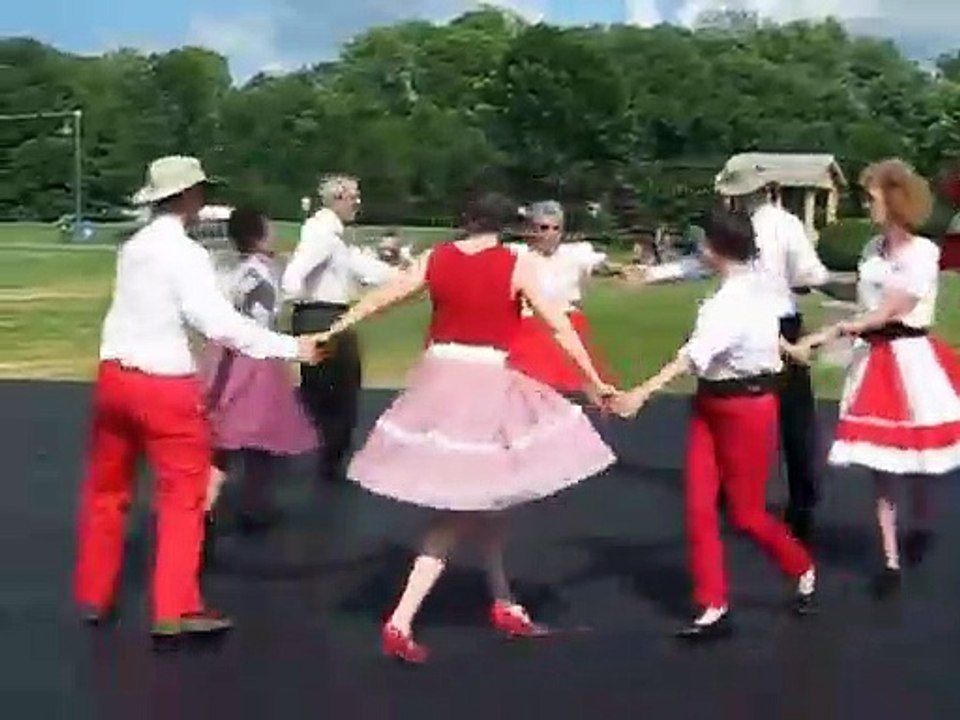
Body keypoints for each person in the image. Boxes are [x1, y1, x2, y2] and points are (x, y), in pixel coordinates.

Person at [317, 193, 617, 664]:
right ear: (507, 226)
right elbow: (559, 326)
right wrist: (594, 380)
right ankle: (401, 618)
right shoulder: (515, 265)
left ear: (466, 219)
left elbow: (382, 298)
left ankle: (503, 600)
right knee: (461, 506)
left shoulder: (439, 259)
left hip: (440, 376)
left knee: (489, 497)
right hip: (481, 381)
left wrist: (332, 330)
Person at [73, 156, 324, 640]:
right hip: (163, 382)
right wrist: (292, 347)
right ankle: (176, 606)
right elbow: (218, 324)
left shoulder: (134, 247)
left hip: (114, 375)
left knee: (107, 491)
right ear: (189, 196)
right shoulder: (186, 254)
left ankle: (93, 593)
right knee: (183, 494)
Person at [613, 206, 817, 642]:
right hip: (711, 404)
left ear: (713, 247)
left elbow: (691, 356)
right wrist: (786, 346)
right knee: (698, 505)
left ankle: (801, 566)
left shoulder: (728, 303)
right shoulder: (749, 285)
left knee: (745, 513)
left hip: (746, 407)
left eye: (702, 242)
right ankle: (714, 604)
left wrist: (640, 393)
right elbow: (747, 324)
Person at [792, 159, 960, 598]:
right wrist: (808, 281)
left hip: (910, 357)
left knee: (917, 455)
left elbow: (893, 307)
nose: (867, 205)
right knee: (881, 464)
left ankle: (920, 521)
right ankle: (890, 560)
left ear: (896, 199)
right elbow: (859, 296)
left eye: (872, 197)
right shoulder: (870, 251)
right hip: (874, 360)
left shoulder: (923, 252)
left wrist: (839, 330)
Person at [643, 170, 831, 544]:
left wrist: (653, 275)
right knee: (777, 411)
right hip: (766, 318)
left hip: (760, 319)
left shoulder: (773, 224)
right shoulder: (768, 225)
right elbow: (808, 273)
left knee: (747, 401)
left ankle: (763, 497)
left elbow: (810, 272)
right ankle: (786, 501)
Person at [201, 208, 319, 547]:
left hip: (239, 354)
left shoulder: (254, 267)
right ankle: (226, 507)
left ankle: (247, 505)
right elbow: (237, 296)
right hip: (252, 360)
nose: (275, 236)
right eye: (269, 231)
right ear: (257, 237)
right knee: (243, 440)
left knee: (244, 442)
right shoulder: (253, 271)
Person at [282, 175, 396, 484]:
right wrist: (297, 295)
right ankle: (325, 463)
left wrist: (406, 275)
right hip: (323, 316)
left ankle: (326, 459)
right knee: (336, 393)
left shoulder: (334, 236)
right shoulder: (321, 233)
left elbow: (363, 269)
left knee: (329, 394)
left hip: (325, 316)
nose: (358, 203)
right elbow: (295, 275)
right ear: (339, 198)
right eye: (354, 197)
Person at [507, 200, 615, 393]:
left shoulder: (575, 253)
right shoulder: (516, 253)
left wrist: (629, 271)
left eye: (556, 228)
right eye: (543, 228)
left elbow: (603, 265)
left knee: (578, 389)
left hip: (568, 325)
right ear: (531, 229)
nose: (550, 234)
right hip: (530, 328)